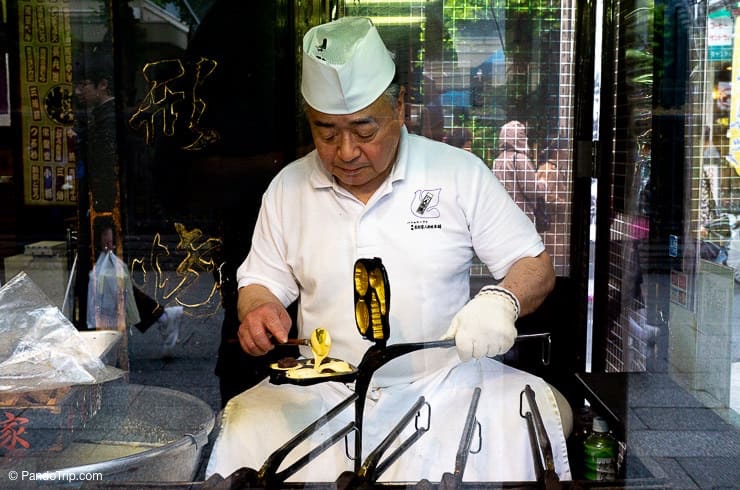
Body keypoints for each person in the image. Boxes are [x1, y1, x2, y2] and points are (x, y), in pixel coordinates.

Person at [206, 17, 570, 483]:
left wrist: (503, 300)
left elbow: (534, 266)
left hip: (445, 383)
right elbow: (259, 282)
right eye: (326, 132)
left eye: (364, 130)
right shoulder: (288, 188)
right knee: (244, 423)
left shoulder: (457, 173)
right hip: (323, 390)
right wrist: (258, 309)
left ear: (399, 107)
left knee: (524, 418)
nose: (346, 152)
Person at [492, 120, 550, 233]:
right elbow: (531, 189)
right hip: (522, 216)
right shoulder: (520, 159)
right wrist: (543, 183)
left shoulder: (498, 160)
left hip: (503, 216)